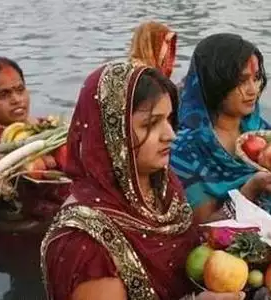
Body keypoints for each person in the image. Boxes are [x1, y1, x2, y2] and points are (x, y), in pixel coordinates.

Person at [41, 61, 244, 300]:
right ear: (112, 135)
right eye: (150, 124)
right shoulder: (85, 243)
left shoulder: (163, 186)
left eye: (169, 120)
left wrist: (251, 192)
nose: (170, 135)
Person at [0, 56, 69, 298]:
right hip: (3, 255)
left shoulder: (48, 130)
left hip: (53, 243)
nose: (16, 99)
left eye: (20, 89)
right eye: (3, 94)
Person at [170, 33, 271, 224]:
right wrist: (250, 190)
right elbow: (204, 227)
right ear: (214, 83)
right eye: (242, 81)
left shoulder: (263, 132)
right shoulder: (185, 149)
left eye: (257, 78)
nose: (253, 90)